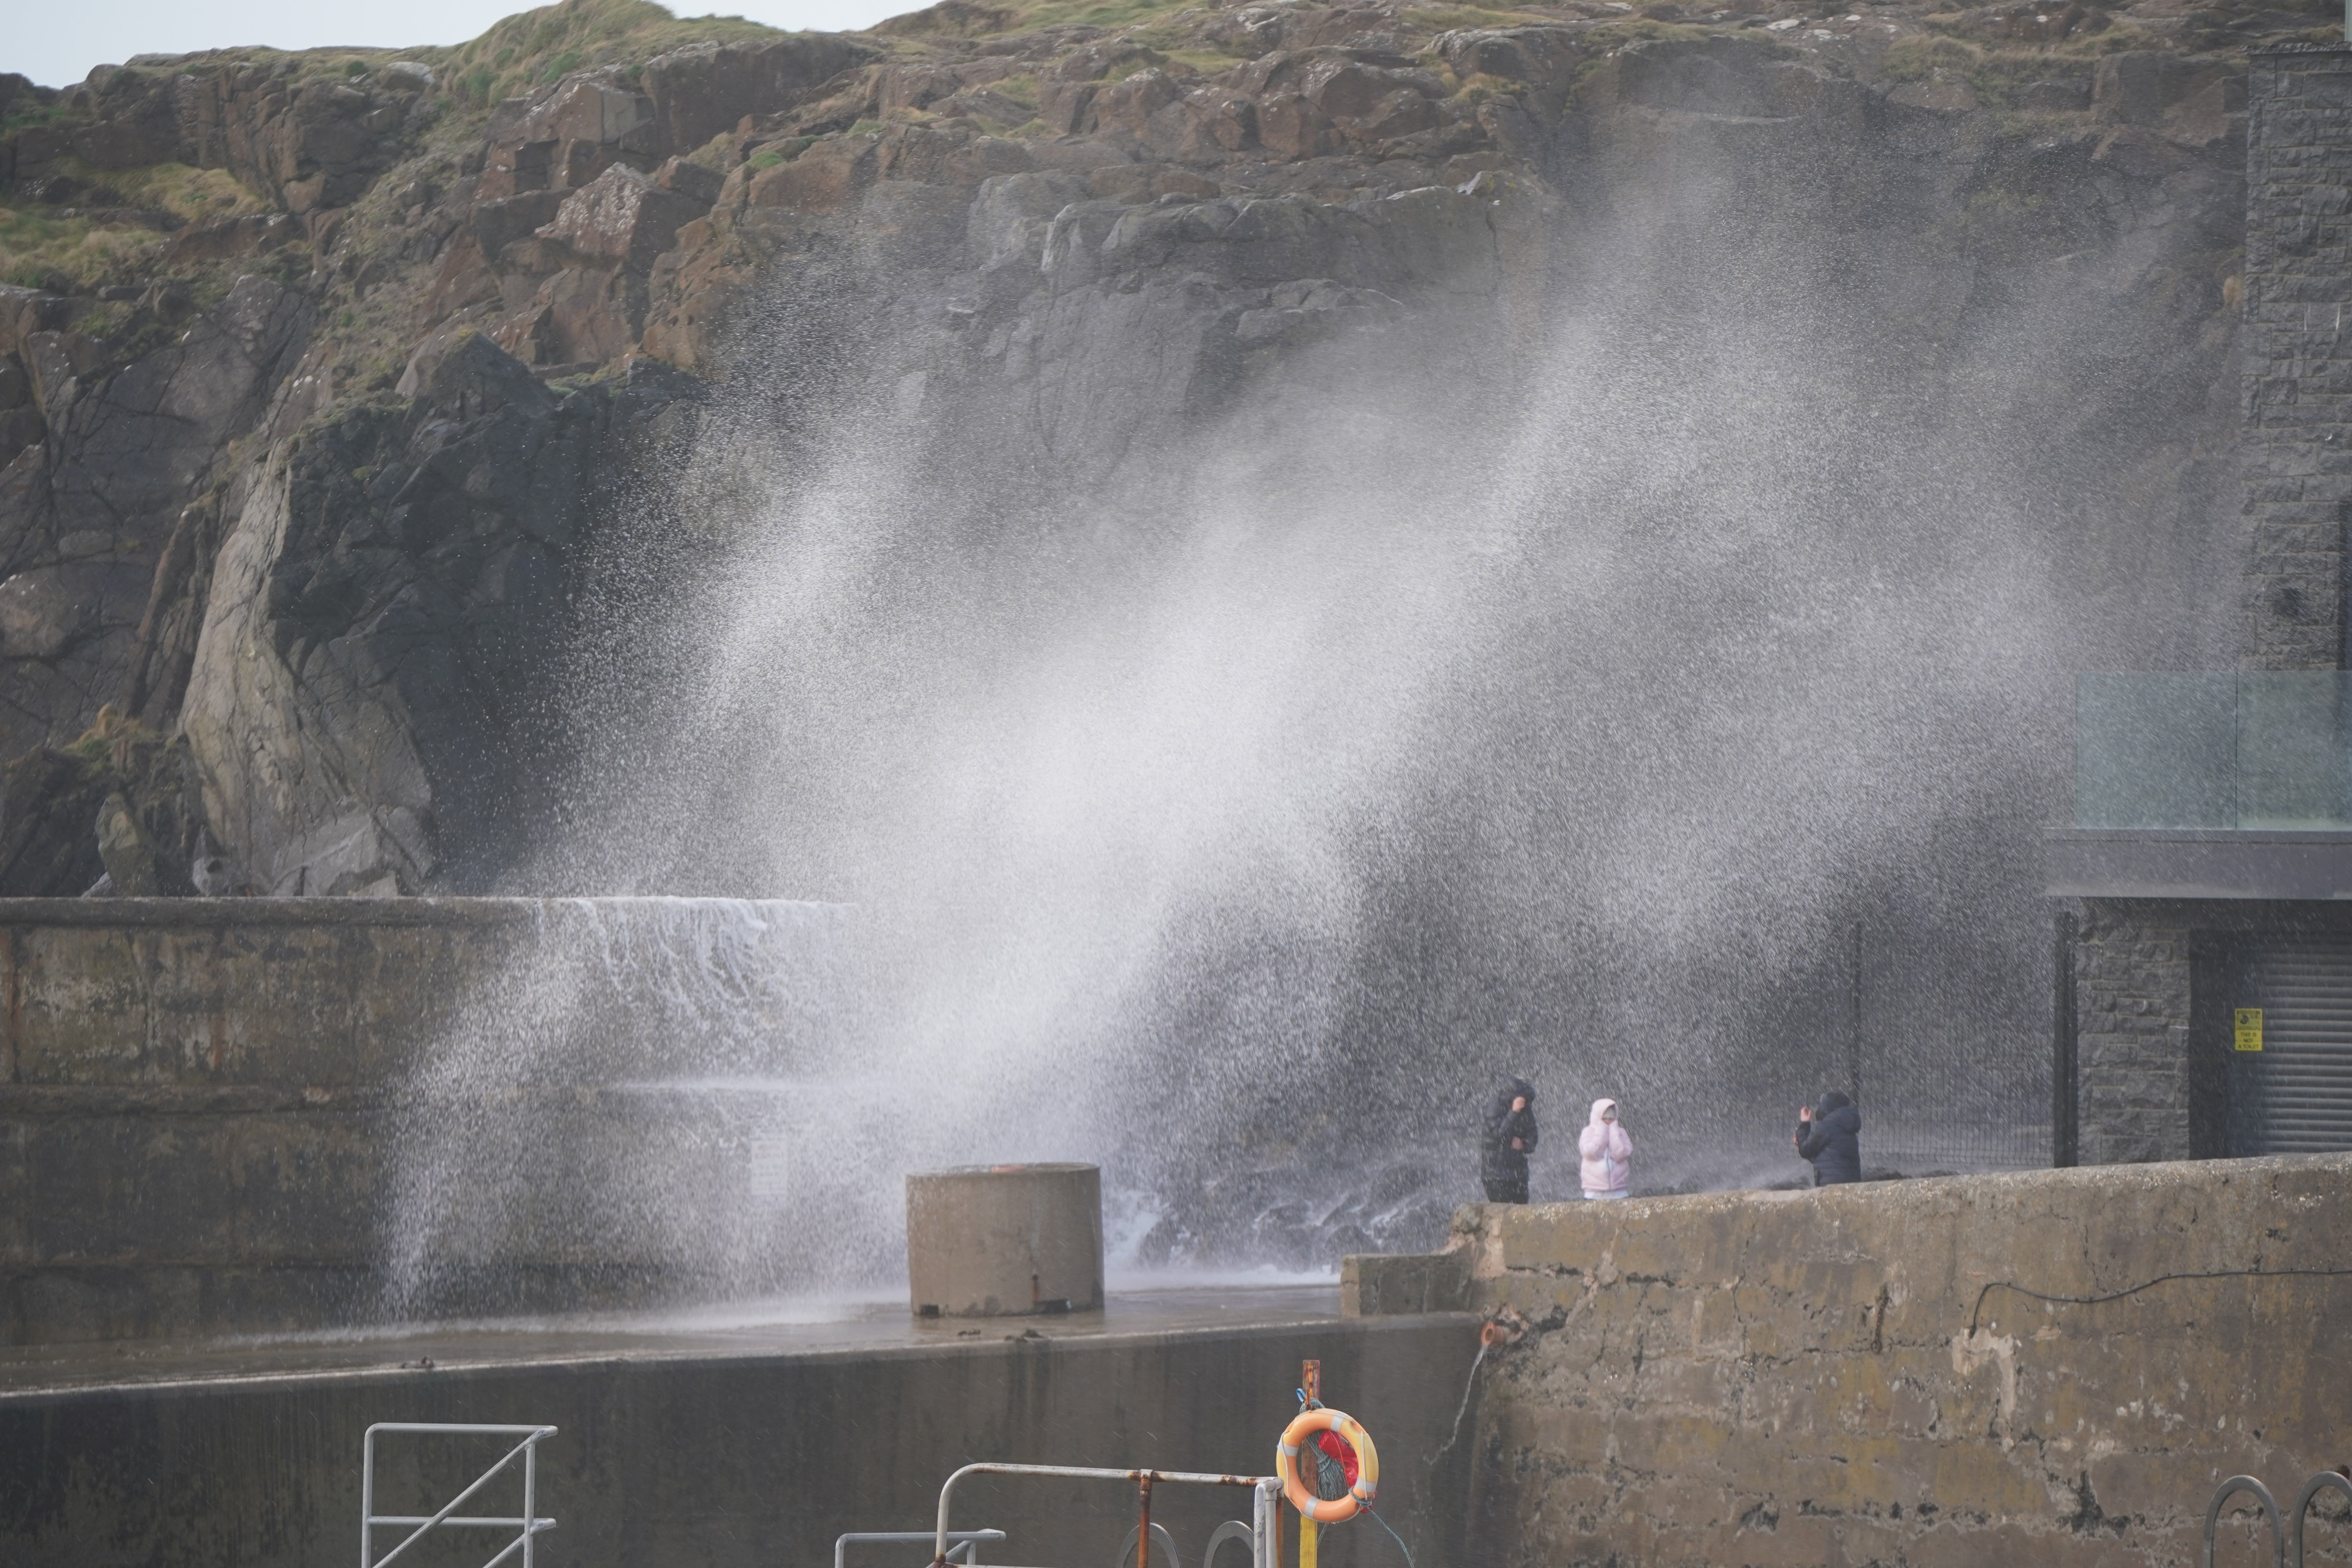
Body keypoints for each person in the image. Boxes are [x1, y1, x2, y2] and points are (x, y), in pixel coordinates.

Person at [1481, 1078, 1538, 1203]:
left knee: (1522, 1214)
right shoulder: (1494, 1109)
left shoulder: (1526, 1109)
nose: (1524, 1104)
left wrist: (1523, 1145)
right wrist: (1514, 1112)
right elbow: (1499, 1135)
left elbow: (1533, 1136)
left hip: (1519, 1174)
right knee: (1500, 1214)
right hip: (1496, 1175)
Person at [1796, 1089, 1862, 1185]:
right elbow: (1829, 1159)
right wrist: (1801, 1144)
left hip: (1831, 1186)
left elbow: (1806, 1150)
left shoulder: (1827, 1126)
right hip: (1851, 1184)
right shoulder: (1847, 1126)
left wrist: (1804, 1124)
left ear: (1827, 1107)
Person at [1578, 1098, 1632, 1199]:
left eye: (1612, 1117)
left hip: (1619, 1191)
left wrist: (1614, 1134)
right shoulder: (1588, 1132)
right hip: (1594, 1192)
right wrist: (1602, 1130)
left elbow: (1621, 1155)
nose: (1609, 1121)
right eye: (1605, 1118)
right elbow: (1591, 1153)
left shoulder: (1621, 1132)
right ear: (1598, 1116)